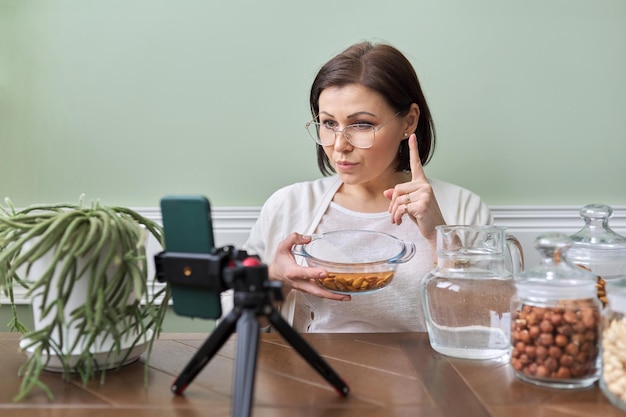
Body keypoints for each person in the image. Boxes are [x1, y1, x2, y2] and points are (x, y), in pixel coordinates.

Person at [242, 41, 493, 333]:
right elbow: (239, 330)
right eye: (328, 123)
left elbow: (487, 325)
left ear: (409, 122)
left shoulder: (463, 208)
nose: (339, 145)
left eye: (361, 124)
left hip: (425, 376)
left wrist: (440, 238)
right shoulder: (287, 205)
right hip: (309, 375)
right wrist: (276, 281)